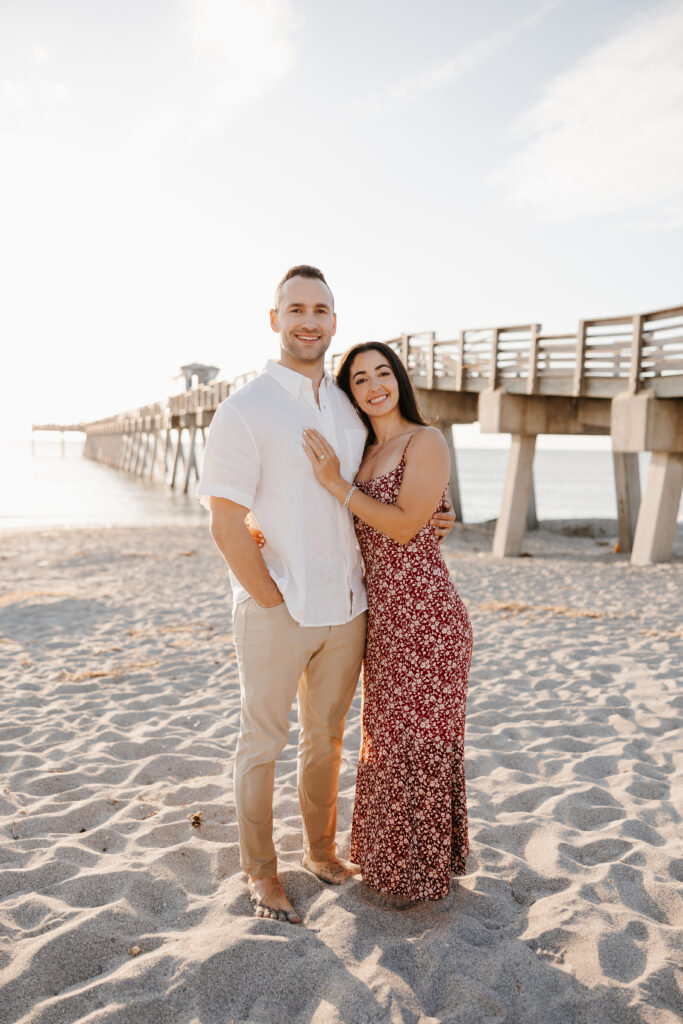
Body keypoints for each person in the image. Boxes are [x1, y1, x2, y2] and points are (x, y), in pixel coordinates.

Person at [197, 266, 454, 924]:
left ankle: (319, 851)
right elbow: (225, 521)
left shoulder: (348, 406)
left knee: (327, 742)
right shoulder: (245, 409)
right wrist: (269, 598)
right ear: (275, 319)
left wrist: (438, 519)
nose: (308, 320)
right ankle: (261, 873)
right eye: (295, 309)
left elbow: (389, 486)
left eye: (320, 309)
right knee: (262, 743)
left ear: (333, 322)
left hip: (350, 609)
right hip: (277, 607)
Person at [301, 340, 473, 906]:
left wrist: (338, 487)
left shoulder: (425, 440)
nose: (374, 386)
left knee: (419, 741)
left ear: (398, 378)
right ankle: (388, 861)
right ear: (349, 392)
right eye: (359, 380)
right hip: (384, 620)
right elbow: (346, 522)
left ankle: (421, 872)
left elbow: (402, 527)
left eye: (382, 373)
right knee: (387, 739)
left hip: (428, 617)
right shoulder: (364, 452)